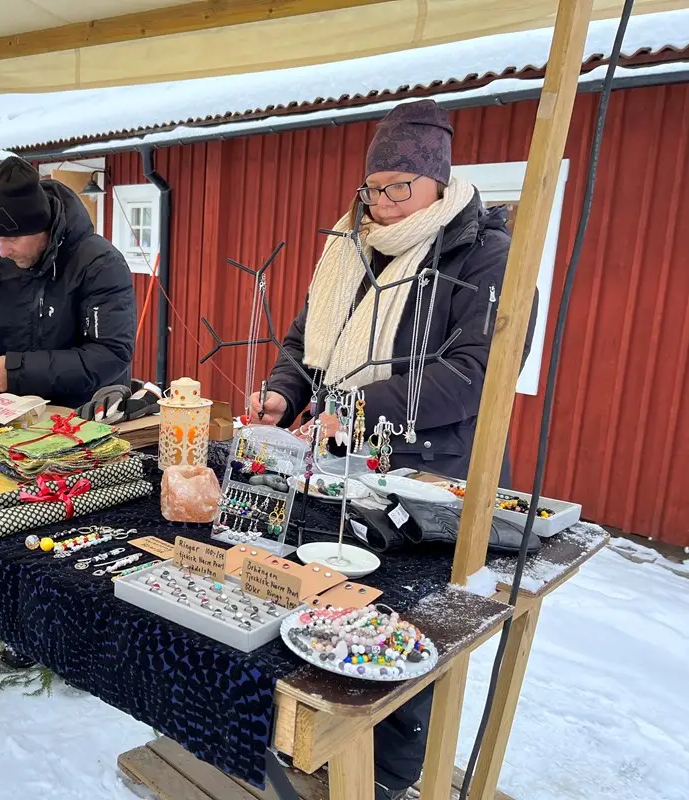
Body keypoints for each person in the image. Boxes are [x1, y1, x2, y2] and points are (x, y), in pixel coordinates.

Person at [248, 100, 537, 800]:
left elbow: (476, 373)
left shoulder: (488, 254)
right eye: (370, 188)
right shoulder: (347, 249)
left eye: (395, 188)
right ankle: (325, 752)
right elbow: (302, 342)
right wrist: (285, 394)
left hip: (437, 482)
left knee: (413, 635)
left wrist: (355, 406)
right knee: (340, 611)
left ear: (436, 182)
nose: (378, 204)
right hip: (346, 472)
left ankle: (390, 779)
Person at [0, 156, 136, 408]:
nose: (2, 251)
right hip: (10, 413)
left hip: (83, 417)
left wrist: (18, 374)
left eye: (12, 239)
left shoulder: (99, 264)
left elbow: (110, 354)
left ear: (42, 228)